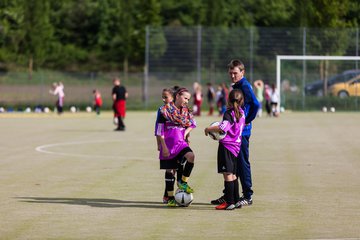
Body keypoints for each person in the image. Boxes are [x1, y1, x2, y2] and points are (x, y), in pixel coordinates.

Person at [211, 59, 259, 207]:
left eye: (235, 73)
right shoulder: (237, 86)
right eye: (230, 73)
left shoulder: (244, 85)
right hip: (235, 133)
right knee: (232, 165)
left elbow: (256, 104)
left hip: (242, 132)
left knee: (242, 162)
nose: (232, 76)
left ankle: (248, 196)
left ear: (242, 72)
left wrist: (246, 120)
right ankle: (229, 195)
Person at [155, 87, 196, 207]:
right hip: (168, 144)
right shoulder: (164, 110)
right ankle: (170, 197)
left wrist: (185, 133)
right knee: (170, 171)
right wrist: (163, 146)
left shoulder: (186, 111)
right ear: (178, 96)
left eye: (188, 99)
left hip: (180, 143)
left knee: (191, 156)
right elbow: (159, 129)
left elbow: (192, 124)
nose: (187, 101)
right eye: (185, 98)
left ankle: (183, 182)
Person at [205, 89, 246, 210]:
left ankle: (229, 202)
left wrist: (209, 128)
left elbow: (223, 128)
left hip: (227, 147)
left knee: (227, 174)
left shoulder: (229, 113)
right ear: (241, 101)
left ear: (228, 100)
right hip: (236, 147)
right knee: (233, 174)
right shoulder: (242, 113)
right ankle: (236, 200)